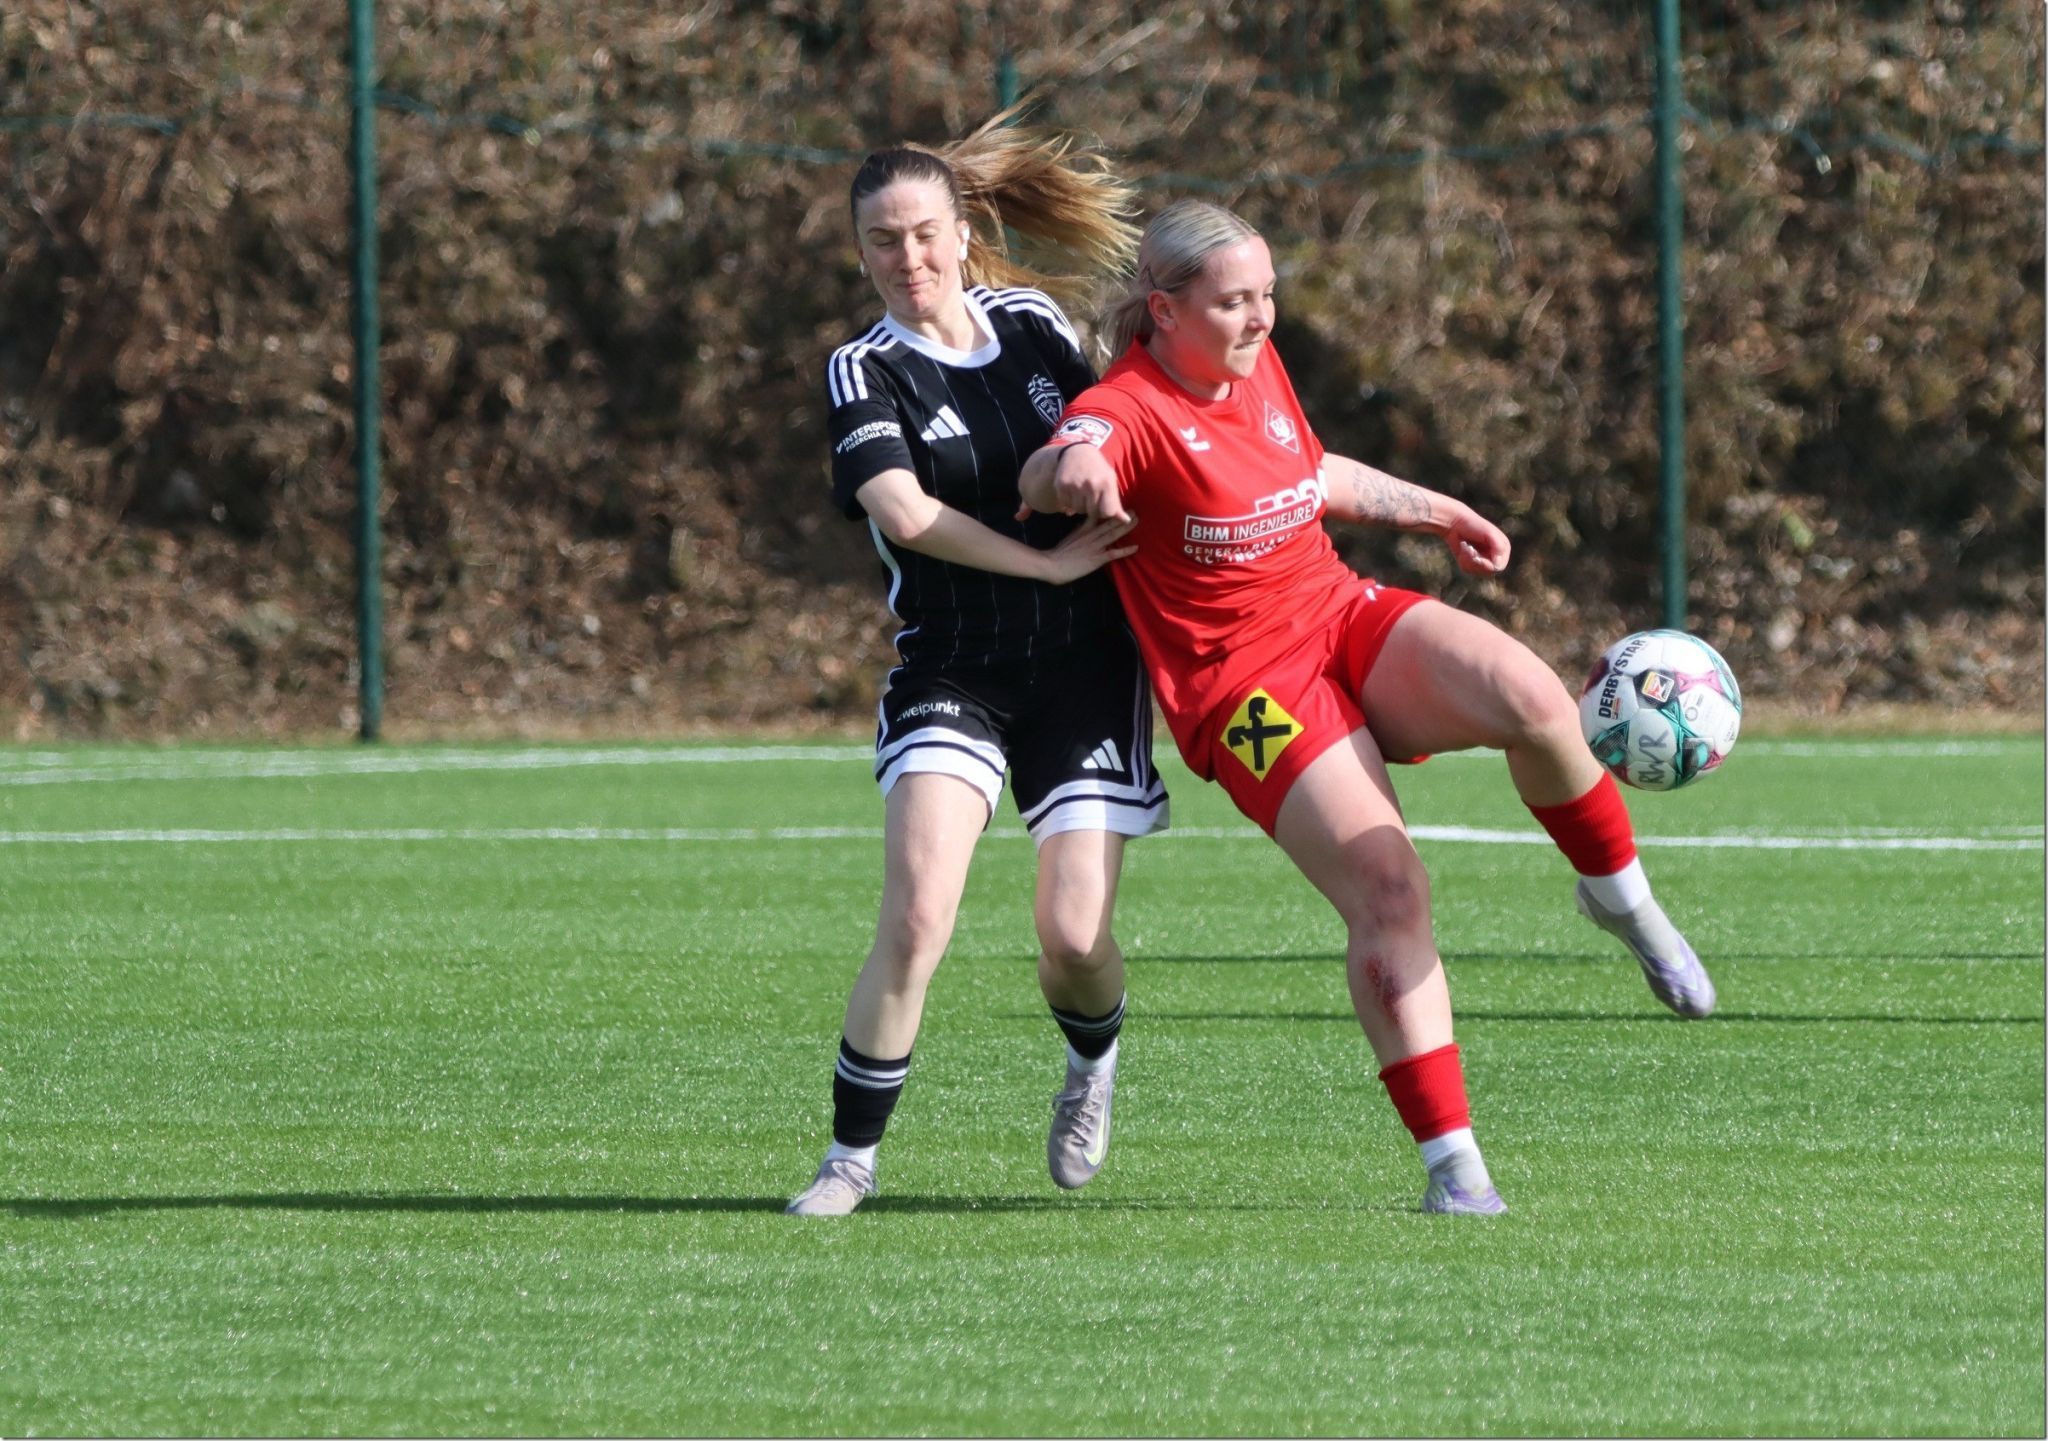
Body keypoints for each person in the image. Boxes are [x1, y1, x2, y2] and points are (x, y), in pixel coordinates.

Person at [1019, 200, 1716, 1215]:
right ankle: (1454, 1170)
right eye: (1233, 303)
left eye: (1266, 295)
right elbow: (1062, 458)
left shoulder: (1250, 363)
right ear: (1163, 312)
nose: (1259, 319)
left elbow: (1303, 480)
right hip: (1243, 692)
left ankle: (1620, 901)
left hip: (1336, 610)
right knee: (1389, 890)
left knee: (1531, 695)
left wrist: (1434, 509)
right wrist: (1068, 468)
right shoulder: (1127, 407)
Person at [788, 117, 1171, 1217]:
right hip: (954, 664)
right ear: (859, 254)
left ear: (962, 235)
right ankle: (848, 1159)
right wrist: (1038, 564)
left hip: (1085, 666)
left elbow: (1109, 431)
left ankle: (1091, 1061)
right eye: (879, 242)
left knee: (1071, 938)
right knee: (915, 917)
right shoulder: (863, 368)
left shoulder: (1033, 323)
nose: (904, 260)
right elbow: (904, 514)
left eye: (921, 235)